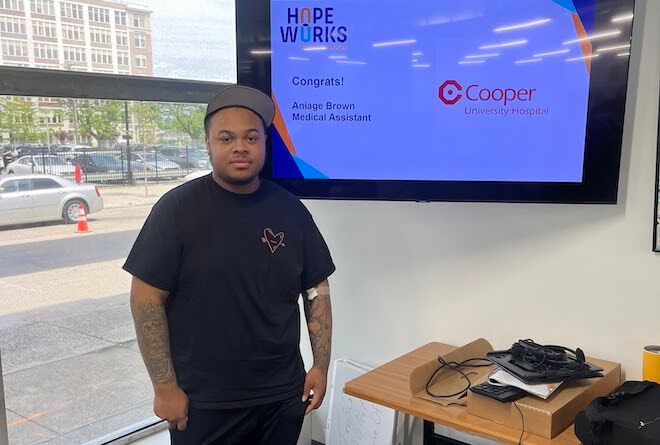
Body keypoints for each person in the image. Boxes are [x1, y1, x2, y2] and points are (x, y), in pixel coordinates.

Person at [123, 84, 335, 445]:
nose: (240, 147)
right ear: (208, 144)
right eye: (226, 138)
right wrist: (164, 387)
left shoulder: (290, 210)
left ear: (265, 145)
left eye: (252, 138)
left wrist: (320, 366)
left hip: (281, 395)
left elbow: (316, 291)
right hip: (205, 402)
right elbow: (146, 300)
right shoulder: (176, 210)